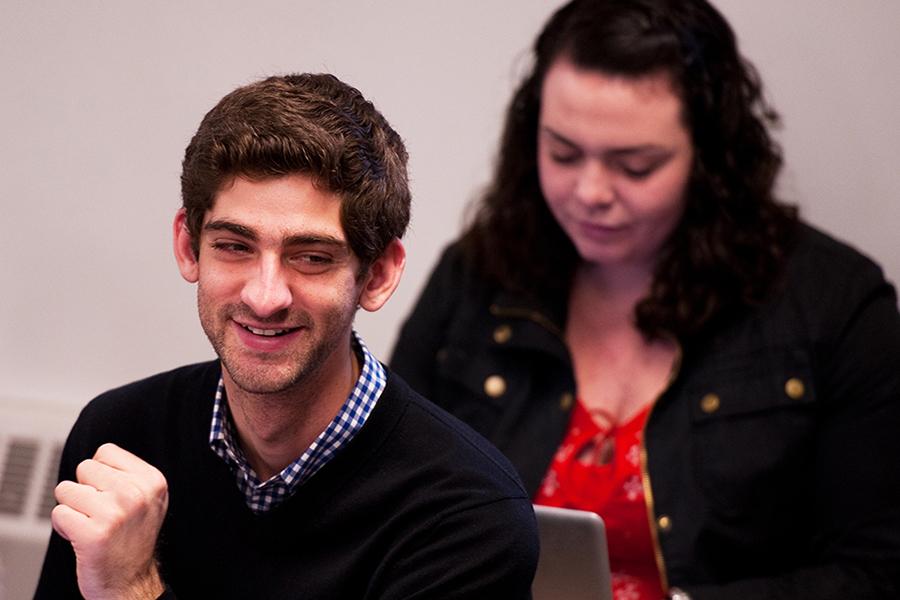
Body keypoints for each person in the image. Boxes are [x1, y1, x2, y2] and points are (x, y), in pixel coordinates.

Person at [390, 1, 900, 598]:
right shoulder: (479, 274)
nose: (590, 192)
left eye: (635, 166)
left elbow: (879, 570)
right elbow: (390, 494)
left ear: (709, 160)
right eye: (562, 153)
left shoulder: (833, 304)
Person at [34, 73, 538, 599]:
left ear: (379, 275)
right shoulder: (121, 435)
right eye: (234, 246)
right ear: (188, 247)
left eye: (312, 258)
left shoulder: (467, 514)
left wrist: (131, 587)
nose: (265, 296)